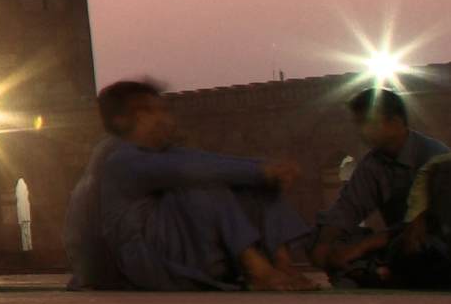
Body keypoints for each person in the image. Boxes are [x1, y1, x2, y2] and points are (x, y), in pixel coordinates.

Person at [76, 78, 318, 291]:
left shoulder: (163, 153)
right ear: (122, 120)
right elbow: (190, 169)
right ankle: (257, 269)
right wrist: (259, 169)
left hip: (182, 253)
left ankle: (282, 263)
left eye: (160, 110)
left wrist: (266, 171)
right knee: (204, 182)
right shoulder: (118, 157)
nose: (160, 119)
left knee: (257, 182)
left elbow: (204, 162)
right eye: (147, 111)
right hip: (146, 266)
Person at [322, 86, 451, 286]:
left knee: (421, 248)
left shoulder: (434, 156)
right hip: (393, 243)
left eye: (366, 123)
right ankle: (377, 273)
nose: (361, 131)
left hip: (433, 241)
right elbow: (347, 208)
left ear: (394, 123)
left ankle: (380, 274)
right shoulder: (373, 164)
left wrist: (366, 245)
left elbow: (435, 221)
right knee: (325, 240)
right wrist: (326, 243)